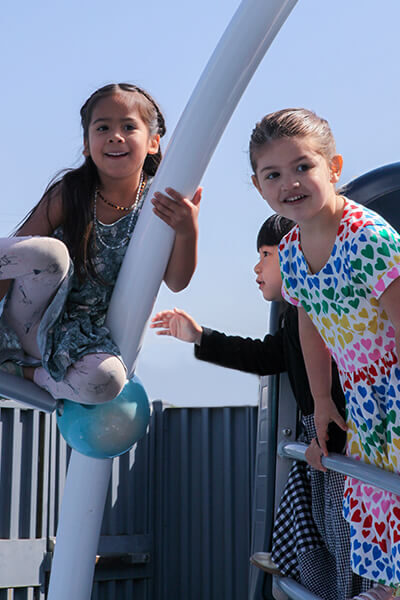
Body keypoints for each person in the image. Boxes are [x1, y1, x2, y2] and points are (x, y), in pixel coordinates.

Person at [151, 214, 372, 600]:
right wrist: (199, 336)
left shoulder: (331, 311)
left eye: (266, 254)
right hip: (320, 444)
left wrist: (330, 439)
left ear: (296, 253)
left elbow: (343, 383)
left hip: (342, 444)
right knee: (326, 532)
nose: (257, 266)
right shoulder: (292, 320)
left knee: (350, 545)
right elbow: (266, 356)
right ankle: (296, 564)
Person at [249, 107, 400, 595]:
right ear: (259, 186)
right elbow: (310, 323)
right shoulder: (291, 251)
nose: (289, 182)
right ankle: (386, 587)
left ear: (333, 169)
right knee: (374, 497)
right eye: (273, 174)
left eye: (302, 167)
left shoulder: (368, 239)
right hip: (364, 398)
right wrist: (321, 403)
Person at [0, 82, 201, 405]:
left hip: (79, 337)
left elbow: (176, 282)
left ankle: (23, 371)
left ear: (153, 142)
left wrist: (187, 230)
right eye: (103, 127)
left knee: (108, 380)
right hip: (31, 315)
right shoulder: (71, 191)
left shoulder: (157, 202)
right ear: (86, 144)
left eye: (128, 126)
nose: (115, 136)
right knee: (49, 253)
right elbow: (15, 256)